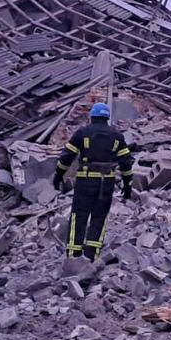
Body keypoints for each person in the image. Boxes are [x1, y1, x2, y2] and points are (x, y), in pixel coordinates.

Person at [53, 102, 134, 261]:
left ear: (92, 116)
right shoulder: (117, 136)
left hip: (85, 180)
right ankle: (91, 254)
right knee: (99, 216)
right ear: (107, 118)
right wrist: (128, 185)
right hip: (106, 183)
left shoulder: (82, 133)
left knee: (79, 215)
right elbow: (126, 162)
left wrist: (58, 175)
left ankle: (73, 255)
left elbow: (67, 156)